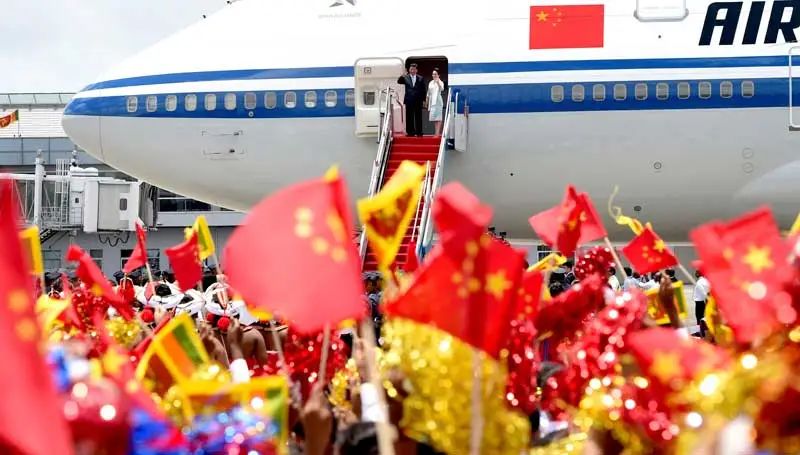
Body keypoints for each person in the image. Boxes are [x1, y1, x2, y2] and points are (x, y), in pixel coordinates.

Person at [397, 63, 426, 137]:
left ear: (416, 70)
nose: (412, 71)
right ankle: (410, 132)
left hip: (418, 100)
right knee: (409, 117)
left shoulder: (420, 78)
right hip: (409, 100)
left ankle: (419, 132)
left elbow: (423, 90)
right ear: (409, 70)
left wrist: (424, 100)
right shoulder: (405, 77)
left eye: (414, 69)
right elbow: (399, 81)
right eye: (411, 69)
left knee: (418, 117)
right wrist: (402, 75)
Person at [427, 69, 445, 136]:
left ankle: (437, 133)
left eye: (435, 74)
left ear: (438, 75)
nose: (434, 75)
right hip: (432, 102)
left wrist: (437, 82)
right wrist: (427, 101)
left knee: (439, 117)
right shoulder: (430, 82)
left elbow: (442, 89)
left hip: (438, 101)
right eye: (433, 74)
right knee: (434, 118)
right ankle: (436, 132)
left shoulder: (440, 82)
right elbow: (428, 92)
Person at [693, 270, 711, 336]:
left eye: (696, 273)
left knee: (699, 317)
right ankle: (702, 331)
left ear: (698, 273)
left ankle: (699, 332)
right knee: (702, 317)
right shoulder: (705, 281)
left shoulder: (700, 282)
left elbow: (704, 293)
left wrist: (706, 300)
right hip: (703, 301)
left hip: (700, 302)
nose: (695, 274)